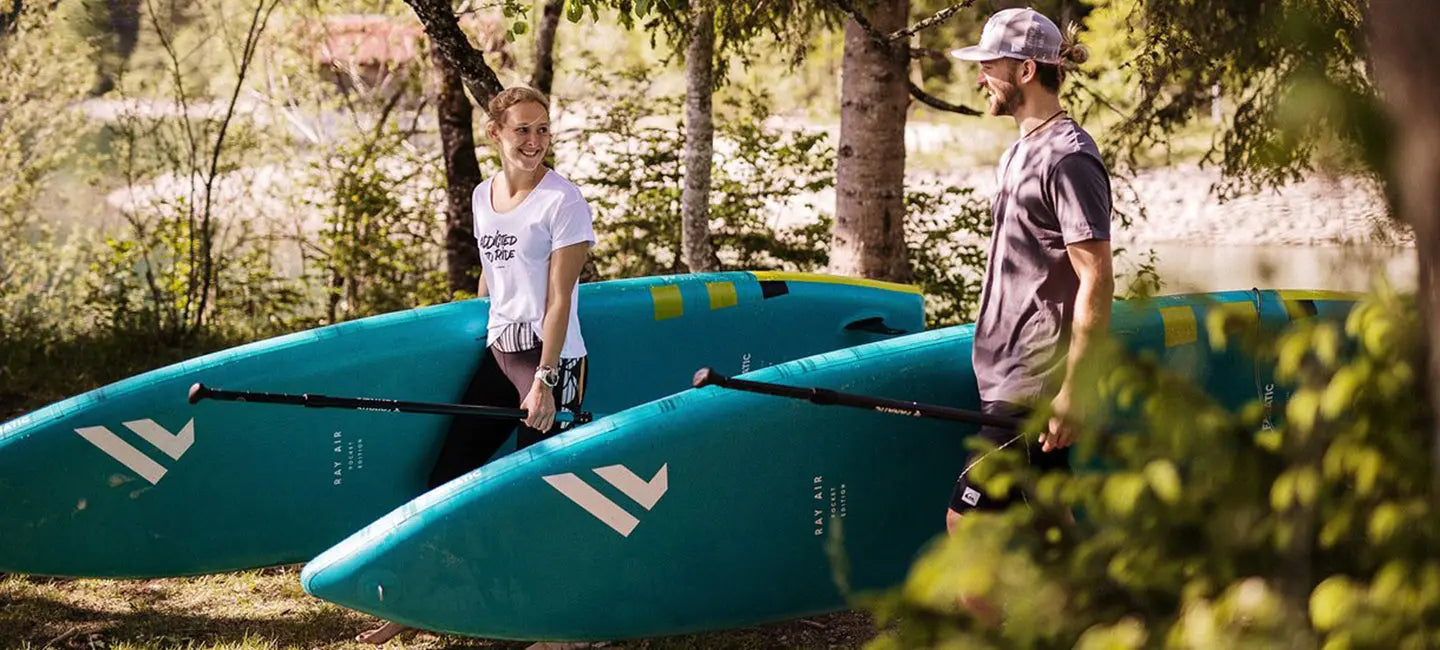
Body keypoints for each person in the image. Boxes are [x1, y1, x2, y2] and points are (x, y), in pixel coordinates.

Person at [358, 85, 596, 646]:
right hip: (498, 351)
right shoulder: (483, 195)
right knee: (446, 477)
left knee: (541, 491)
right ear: (495, 133)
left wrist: (543, 380)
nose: (535, 140)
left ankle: (569, 624)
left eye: (542, 129)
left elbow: (560, 299)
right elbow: (492, 277)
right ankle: (432, 601)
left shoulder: (564, 201)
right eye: (522, 129)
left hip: (550, 360)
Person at [945, 5, 1114, 615]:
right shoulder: (1022, 149)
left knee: (966, 529)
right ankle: (1096, 622)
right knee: (1051, 517)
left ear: (1024, 69)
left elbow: (1096, 277)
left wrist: (1073, 390)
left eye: (989, 65)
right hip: (1005, 365)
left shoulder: (1070, 156)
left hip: (1033, 376)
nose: (981, 76)